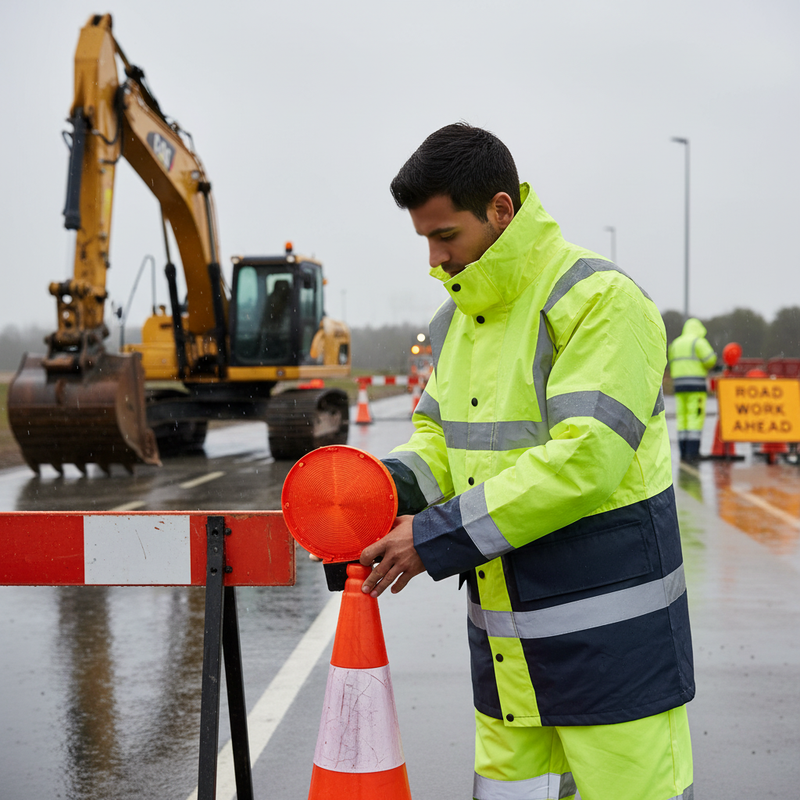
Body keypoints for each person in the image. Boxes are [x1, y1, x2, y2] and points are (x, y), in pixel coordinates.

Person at [358, 123, 694, 800]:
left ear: (501, 210)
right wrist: (375, 491)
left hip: (614, 657)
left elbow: (586, 460)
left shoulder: (600, 300)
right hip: (509, 665)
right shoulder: (458, 320)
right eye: (425, 239)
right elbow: (439, 442)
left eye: (445, 236)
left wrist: (434, 537)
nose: (434, 259)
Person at [668, 318, 717, 463]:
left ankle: (683, 452)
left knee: (682, 418)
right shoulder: (698, 342)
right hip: (696, 385)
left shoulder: (675, 344)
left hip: (679, 385)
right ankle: (692, 452)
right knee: (694, 417)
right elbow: (710, 360)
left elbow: (670, 362)